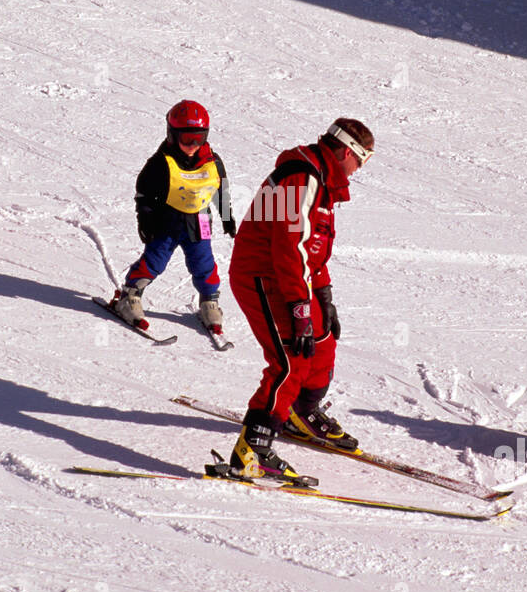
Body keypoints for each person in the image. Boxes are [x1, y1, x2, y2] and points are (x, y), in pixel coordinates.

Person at [224, 118, 374, 480]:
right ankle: (253, 450)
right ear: (343, 151)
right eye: (361, 160)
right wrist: (298, 307)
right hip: (262, 275)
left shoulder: (321, 183)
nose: (360, 170)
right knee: (290, 360)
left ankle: (299, 412)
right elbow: (288, 247)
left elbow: (312, 250)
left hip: (289, 278)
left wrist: (322, 295)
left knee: (321, 343)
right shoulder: (302, 176)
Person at [108, 101, 237, 332]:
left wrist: (227, 218)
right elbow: (144, 195)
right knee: (154, 261)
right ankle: (130, 295)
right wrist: (145, 220)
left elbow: (221, 190)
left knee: (204, 263)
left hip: (200, 222)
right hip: (166, 222)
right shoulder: (161, 163)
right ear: (172, 134)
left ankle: (209, 300)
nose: (193, 145)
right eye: (187, 139)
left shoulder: (213, 161)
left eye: (199, 138)